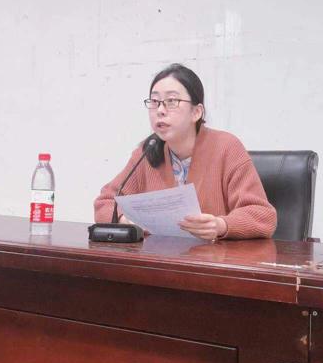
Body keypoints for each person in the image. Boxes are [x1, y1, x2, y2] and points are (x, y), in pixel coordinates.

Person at [93, 63, 277, 240]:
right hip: (159, 257)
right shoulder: (146, 152)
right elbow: (105, 202)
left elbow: (262, 215)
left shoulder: (226, 148)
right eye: (155, 101)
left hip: (213, 258)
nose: (160, 110)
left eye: (171, 101)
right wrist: (124, 220)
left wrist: (221, 225)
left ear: (196, 112)